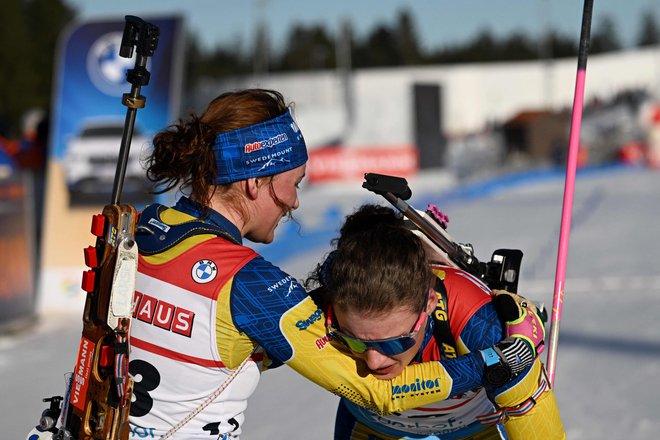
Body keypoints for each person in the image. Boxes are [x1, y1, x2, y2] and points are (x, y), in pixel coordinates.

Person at [128, 89, 541, 439]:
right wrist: (498, 358)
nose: (294, 202)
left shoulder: (145, 228)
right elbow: (381, 394)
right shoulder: (252, 285)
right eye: (294, 182)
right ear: (256, 181)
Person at [307, 203, 565, 439]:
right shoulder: (326, 305)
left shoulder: (474, 319)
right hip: (374, 426)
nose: (374, 361)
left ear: (429, 303)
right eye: (355, 341)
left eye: (394, 342)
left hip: (474, 429)